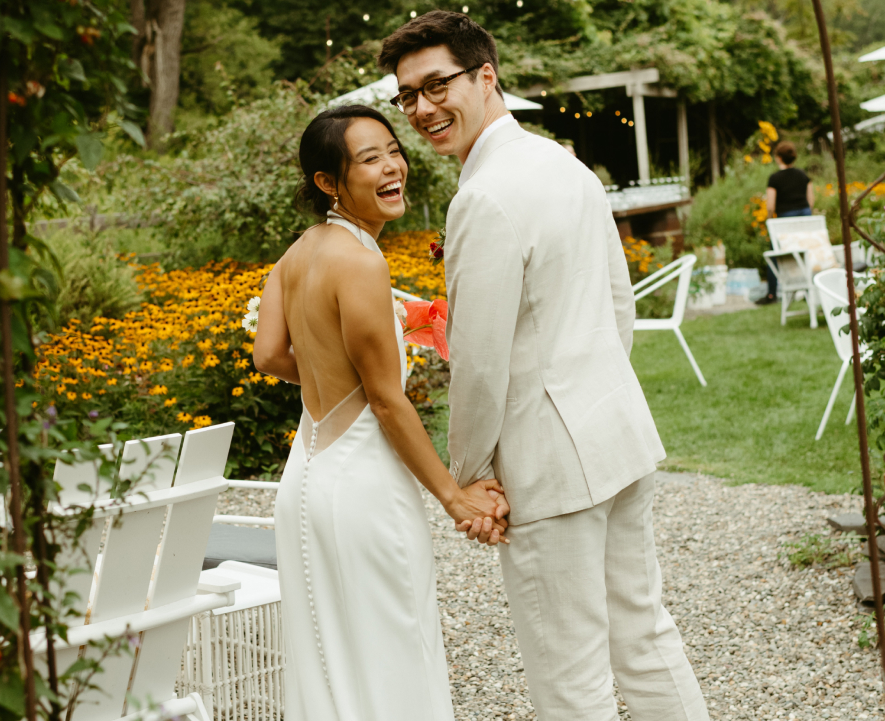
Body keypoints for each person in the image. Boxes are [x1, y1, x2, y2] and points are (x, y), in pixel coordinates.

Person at [377, 11, 710, 721]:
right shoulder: (564, 163)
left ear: (485, 75)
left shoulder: (485, 195)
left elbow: (478, 360)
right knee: (645, 637)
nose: (421, 109)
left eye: (436, 85)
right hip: (614, 430)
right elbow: (617, 309)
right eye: (406, 95)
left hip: (549, 466)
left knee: (570, 680)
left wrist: (469, 476)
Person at [253, 104, 510, 720]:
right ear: (328, 183)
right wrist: (455, 498)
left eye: (393, 151)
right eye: (370, 159)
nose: (394, 166)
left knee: (332, 664)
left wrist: (332, 382)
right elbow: (387, 401)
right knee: (399, 655)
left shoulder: (296, 256)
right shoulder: (362, 262)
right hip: (364, 489)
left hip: (307, 480)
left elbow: (268, 355)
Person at [759, 140, 815, 304]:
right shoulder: (803, 175)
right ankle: (807, 288)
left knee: (775, 253)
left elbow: (770, 206)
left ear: (778, 158)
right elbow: (810, 200)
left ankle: (771, 294)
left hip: (785, 219)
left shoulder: (775, 178)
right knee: (805, 252)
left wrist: (771, 222)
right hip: (804, 217)